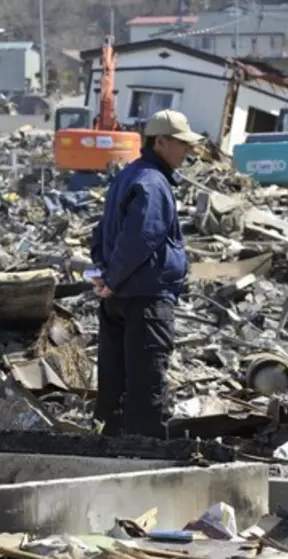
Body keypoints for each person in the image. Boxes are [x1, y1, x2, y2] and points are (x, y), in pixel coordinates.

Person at [89, 109, 203, 439]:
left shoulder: (128, 176)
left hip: (120, 300)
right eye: (182, 144)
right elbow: (141, 236)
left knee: (115, 382)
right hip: (146, 302)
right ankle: (149, 461)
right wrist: (110, 279)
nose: (188, 151)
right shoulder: (153, 183)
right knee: (146, 385)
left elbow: (102, 233)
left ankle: (110, 451)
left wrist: (104, 273)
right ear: (161, 142)